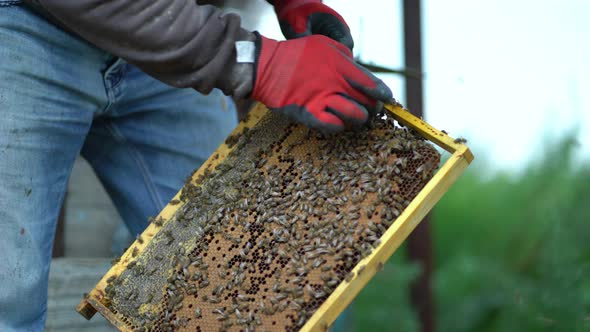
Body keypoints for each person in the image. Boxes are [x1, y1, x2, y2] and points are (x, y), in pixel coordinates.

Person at [0, 0, 393, 330]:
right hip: (22, 23)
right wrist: (257, 61)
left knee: (239, 264)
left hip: (168, 22)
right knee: (8, 295)